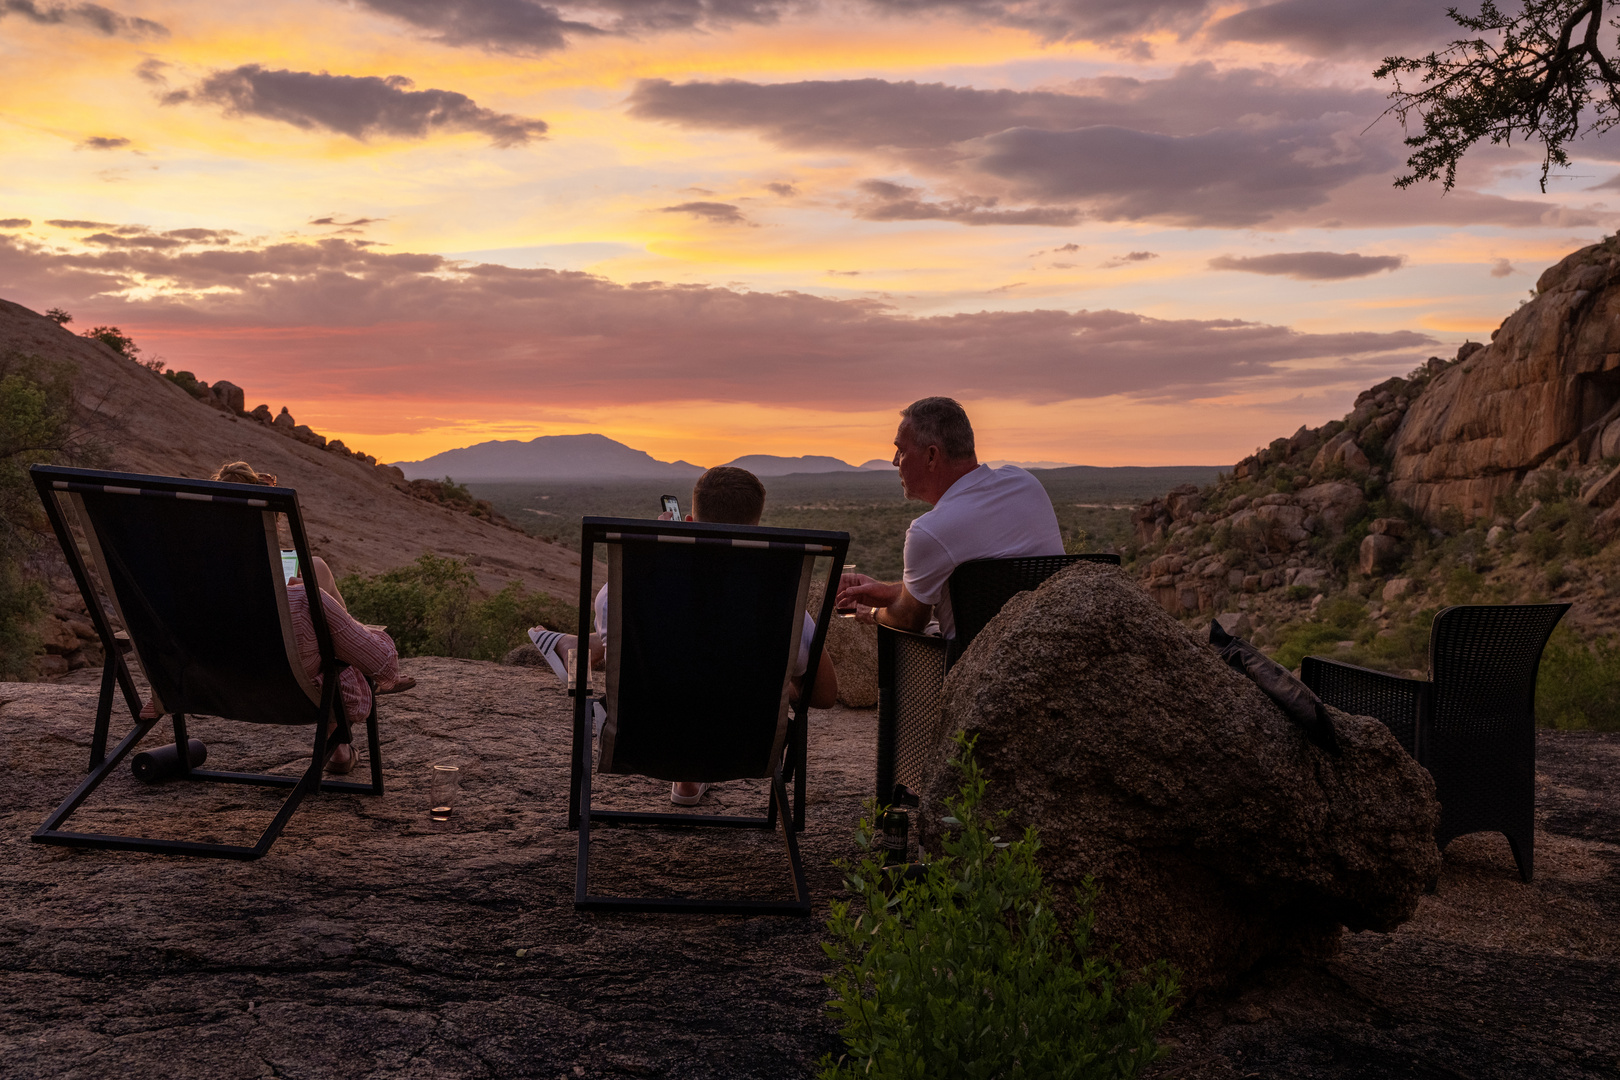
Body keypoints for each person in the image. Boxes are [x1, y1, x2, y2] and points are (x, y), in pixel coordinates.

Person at [528, 466, 839, 806]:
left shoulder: (622, 594)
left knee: (633, 643)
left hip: (646, 743)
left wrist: (655, 559)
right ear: (757, 530)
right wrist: (785, 675)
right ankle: (688, 778)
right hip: (744, 748)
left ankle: (577, 649)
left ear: (689, 522)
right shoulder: (778, 604)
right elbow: (823, 694)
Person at [137, 462, 404, 775]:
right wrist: (355, 630)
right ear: (266, 530)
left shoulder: (180, 599)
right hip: (287, 690)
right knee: (331, 642)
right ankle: (340, 745)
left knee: (316, 584)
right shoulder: (303, 600)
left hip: (203, 686)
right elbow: (383, 664)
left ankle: (340, 746)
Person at [836, 396, 1063, 639]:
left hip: (970, 665)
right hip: (1047, 642)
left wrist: (871, 612)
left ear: (932, 456)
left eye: (901, 450)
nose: (894, 462)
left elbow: (910, 619)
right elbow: (1004, 584)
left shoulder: (929, 532)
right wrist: (892, 593)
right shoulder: (1024, 483)